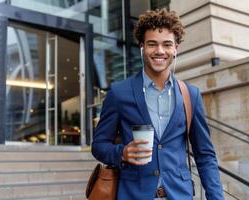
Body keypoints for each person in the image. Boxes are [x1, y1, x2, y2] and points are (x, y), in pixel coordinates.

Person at [92, 9, 224, 200]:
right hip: (133, 195)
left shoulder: (190, 95)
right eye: (152, 44)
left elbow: (205, 156)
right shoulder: (119, 93)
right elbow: (99, 145)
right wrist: (122, 153)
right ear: (142, 47)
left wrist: (216, 197)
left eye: (167, 44)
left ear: (176, 48)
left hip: (180, 195)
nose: (160, 51)